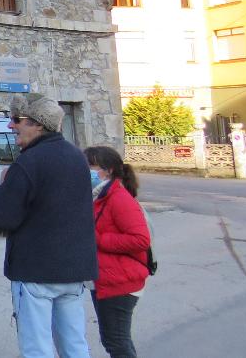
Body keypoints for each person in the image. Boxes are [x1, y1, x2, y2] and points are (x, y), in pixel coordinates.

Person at [0, 95, 97, 358]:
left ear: (37, 124)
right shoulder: (76, 157)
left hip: (37, 272)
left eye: (17, 120)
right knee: (75, 345)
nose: (11, 126)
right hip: (73, 270)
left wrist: (3, 185)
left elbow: (3, 217)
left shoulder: (28, 162)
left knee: (37, 348)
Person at [85, 145, 151, 358]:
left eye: (91, 166)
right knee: (115, 341)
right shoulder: (100, 197)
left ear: (109, 170)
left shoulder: (118, 198)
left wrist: (98, 239)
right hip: (107, 280)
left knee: (117, 343)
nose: (87, 171)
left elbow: (140, 240)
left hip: (120, 282)